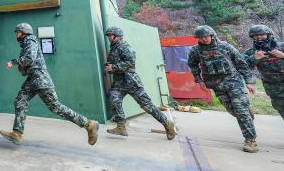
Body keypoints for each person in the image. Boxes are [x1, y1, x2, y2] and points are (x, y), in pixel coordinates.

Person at [0, 23, 99, 145]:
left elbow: (30, 57)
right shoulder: (26, 44)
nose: (16, 35)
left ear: (24, 32)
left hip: (41, 79)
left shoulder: (30, 41)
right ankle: (17, 133)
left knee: (56, 107)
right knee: (20, 100)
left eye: (18, 32)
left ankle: (89, 124)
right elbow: (28, 65)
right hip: (32, 79)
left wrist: (14, 62)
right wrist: (21, 67)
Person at [187, 25, 258, 153]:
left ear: (212, 35)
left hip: (233, 82)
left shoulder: (225, 47)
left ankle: (250, 140)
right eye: (201, 37)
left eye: (206, 36)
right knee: (233, 111)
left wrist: (249, 81)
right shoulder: (196, 50)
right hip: (216, 85)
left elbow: (240, 63)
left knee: (240, 111)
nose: (204, 39)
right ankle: (247, 114)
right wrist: (199, 80)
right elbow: (192, 65)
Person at [103, 27, 176, 140]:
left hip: (131, 82)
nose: (109, 38)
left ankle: (167, 123)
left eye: (110, 35)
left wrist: (113, 67)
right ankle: (121, 127)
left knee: (147, 106)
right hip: (119, 83)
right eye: (108, 36)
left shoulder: (124, 47)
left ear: (117, 36)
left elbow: (130, 63)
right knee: (114, 100)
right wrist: (110, 67)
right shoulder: (114, 48)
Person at [244, 24, 284, 120]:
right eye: (255, 35)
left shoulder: (282, 46)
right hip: (273, 87)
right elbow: (244, 67)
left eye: (262, 34)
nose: (258, 37)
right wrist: (255, 58)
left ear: (268, 35)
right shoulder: (251, 52)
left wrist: (283, 55)